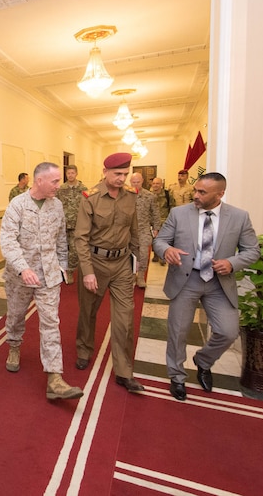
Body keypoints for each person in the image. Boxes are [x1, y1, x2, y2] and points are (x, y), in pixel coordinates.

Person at [152, 172, 259, 401]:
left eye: (202, 192)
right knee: (178, 332)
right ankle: (177, 377)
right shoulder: (179, 213)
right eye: (196, 190)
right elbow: (160, 240)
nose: (196, 195)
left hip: (219, 283)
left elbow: (252, 251)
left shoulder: (239, 217)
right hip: (185, 280)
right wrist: (166, 250)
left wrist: (231, 263)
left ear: (220, 194)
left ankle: (203, 361)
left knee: (228, 331)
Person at [0, 162, 83, 400]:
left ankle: (54, 378)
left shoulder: (56, 205)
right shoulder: (17, 205)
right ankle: (14, 347)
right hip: (20, 276)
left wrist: (64, 266)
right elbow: (7, 240)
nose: (59, 185)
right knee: (16, 316)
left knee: (51, 324)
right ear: (39, 181)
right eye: (55, 181)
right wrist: (23, 268)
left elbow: (60, 239)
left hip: (49, 275)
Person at [73, 152, 144, 393]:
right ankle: (84, 350)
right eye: (117, 174)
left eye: (125, 174)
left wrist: (138, 265)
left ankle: (124, 371)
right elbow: (80, 239)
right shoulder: (90, 199)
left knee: (125, 318)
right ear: (105, 172)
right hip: (95, 263)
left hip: (122, 263)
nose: (122, 179)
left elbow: (134, 231)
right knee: (88, 311)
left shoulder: (131, 198)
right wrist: (87, 272)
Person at [129, 172, 161, 288]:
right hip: (128, 231)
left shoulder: (150, 196)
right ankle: (132, 274)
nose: (136, 184)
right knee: (130, 254)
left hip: (143, 229)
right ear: (130, 182)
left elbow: (155, 213)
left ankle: (141, 276)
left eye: (138, 182)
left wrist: (156, 228)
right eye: (133, 182)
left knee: (143, 254)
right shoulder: (125, 195)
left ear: (142, 181)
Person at [57, 164, 87, 282]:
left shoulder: (83, 189)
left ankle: (70, 271)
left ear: (76, 174)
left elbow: (87, 206)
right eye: (68, 173)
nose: (70, 175)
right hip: (62, 224)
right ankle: (60, 270)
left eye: (72, 173)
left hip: (77, 224)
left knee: (74, 249)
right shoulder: (61, 189)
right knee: (61, 248)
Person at [150, 177, 171, 265]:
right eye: (154, 183)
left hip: (164, 220)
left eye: (157, 183)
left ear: (161, 185)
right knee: (153, 239)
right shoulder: (149, 194)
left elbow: (172, 206)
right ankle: (155, 255)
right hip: (152, 221)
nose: (155, 185)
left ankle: (162, 257)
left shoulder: (167, 194)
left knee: (163, 240)